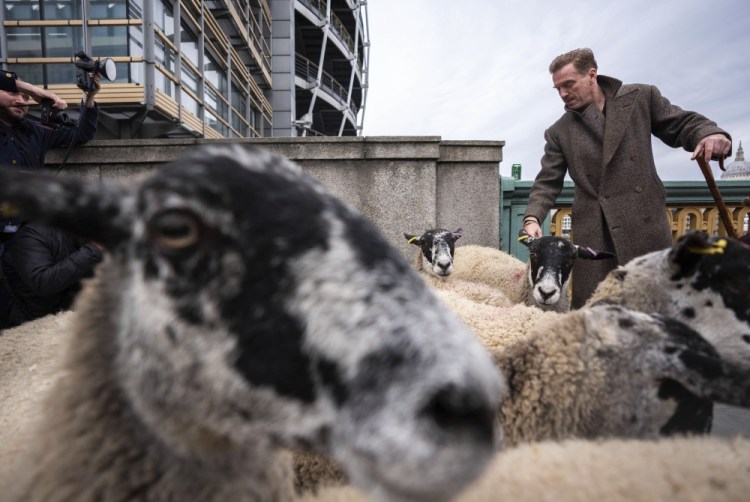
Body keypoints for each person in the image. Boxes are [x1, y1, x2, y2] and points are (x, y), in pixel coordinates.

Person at [523, 48, 732, 309]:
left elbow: (681, 124)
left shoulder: (641, 98)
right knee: (596, 315)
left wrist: (709, 134)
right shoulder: (558, 132)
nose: (563, 94)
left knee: (657, 310)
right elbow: (547, 181)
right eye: (558, 89)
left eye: (569, 84)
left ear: (591, 75)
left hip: (644, 228)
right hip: (595, 237)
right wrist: (532, 217)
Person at [0, 68, 100, 241]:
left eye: (25, 97)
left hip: (24, 235)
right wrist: (33, 90)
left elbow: (81, 133)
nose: (20, 101)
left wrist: (89, 95)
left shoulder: (36, 131)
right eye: (12, 93)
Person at [0, 222, 103, 329]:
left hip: (65, 319)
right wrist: (94, 250)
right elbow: (42, 283)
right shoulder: (32, 234)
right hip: (25, 322)